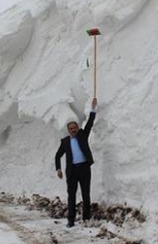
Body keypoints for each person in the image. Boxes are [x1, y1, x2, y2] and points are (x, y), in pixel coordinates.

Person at [55, 98, 98, 228]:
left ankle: (86, 218)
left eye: (75, 128)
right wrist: (58, 169)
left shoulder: (83, 135)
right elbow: (57, 156)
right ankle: (71, 220)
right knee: (71, 196)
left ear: (77, 128)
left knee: (86, 194)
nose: (73, 130)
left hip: (84, 168)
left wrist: (93, 108)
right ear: (68, 130)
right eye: (71, 128)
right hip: (72, 171)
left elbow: (90, 123)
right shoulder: (65, 142)